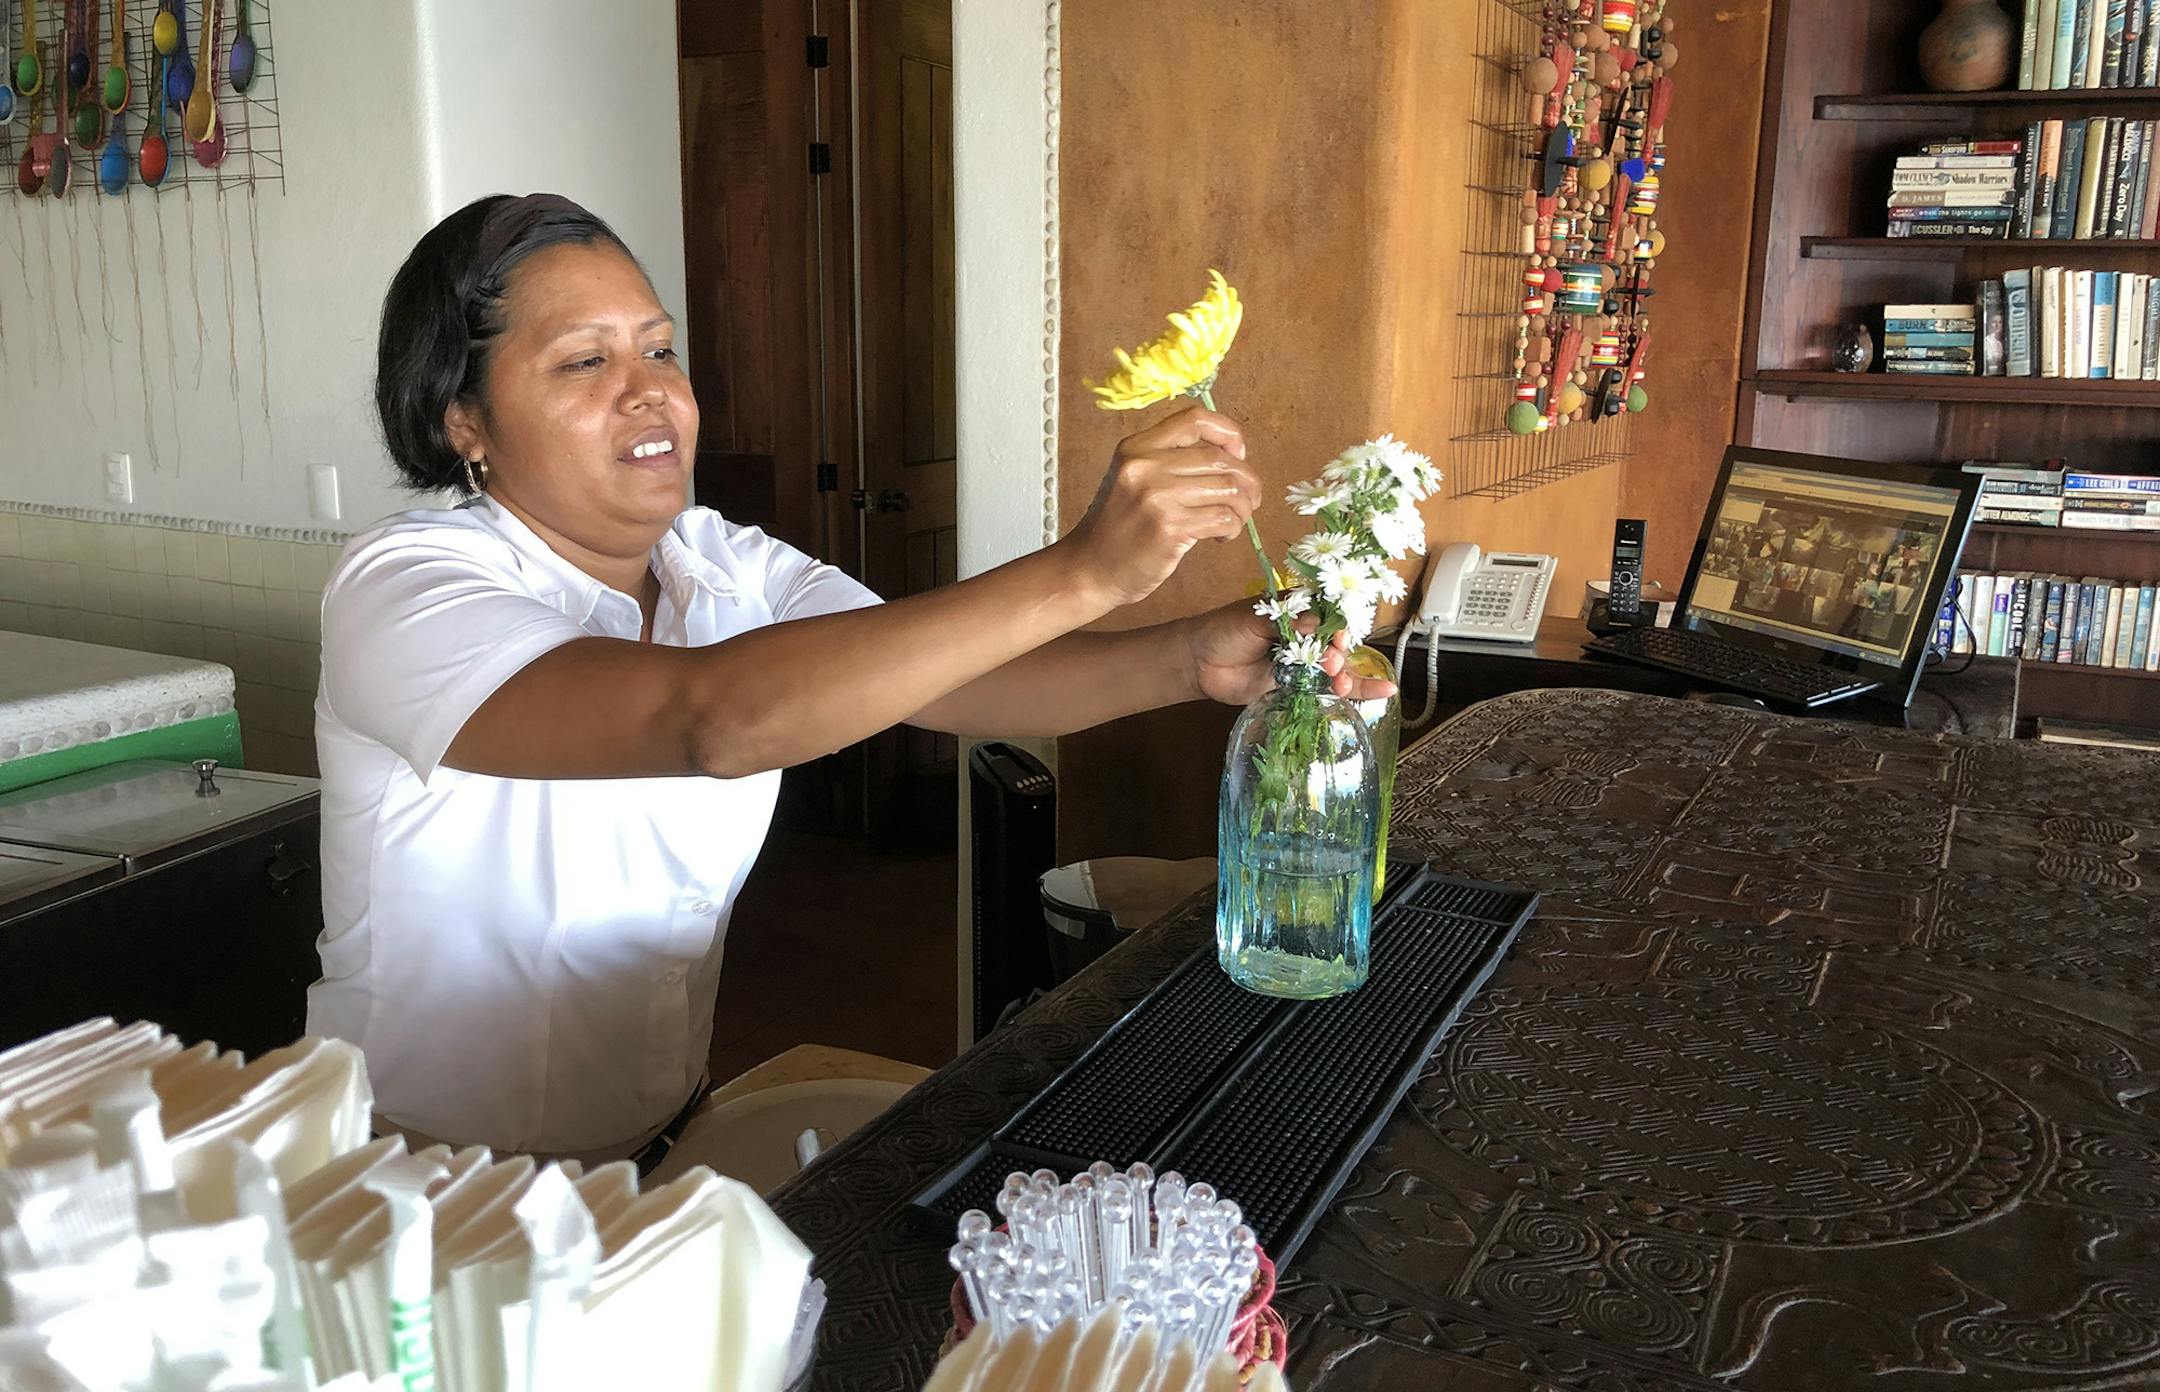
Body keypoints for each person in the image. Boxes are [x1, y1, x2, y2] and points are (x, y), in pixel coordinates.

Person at [311, 193, 1393, 1164]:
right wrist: (1083, 570)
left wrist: (1189, 656)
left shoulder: (719, 560)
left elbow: (956, 684)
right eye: (585, 363)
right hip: (422, 1181)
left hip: (659, 1142)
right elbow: (711, 722)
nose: (651, 395)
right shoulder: (405, 589)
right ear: (465, 424)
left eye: (661, 351)